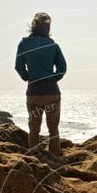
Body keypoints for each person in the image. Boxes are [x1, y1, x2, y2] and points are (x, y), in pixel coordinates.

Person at [15, 12, 67, 157]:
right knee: (53, 128)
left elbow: (19, 67)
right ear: (48, 28)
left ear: (33, 26)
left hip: (33, 91)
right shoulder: (53, 45)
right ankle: (55, 155)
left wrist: (28, 77)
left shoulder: (24, 44)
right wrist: (53, 79)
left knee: (34, 127)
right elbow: (62, 67)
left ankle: (33, 156)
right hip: (51, 92)